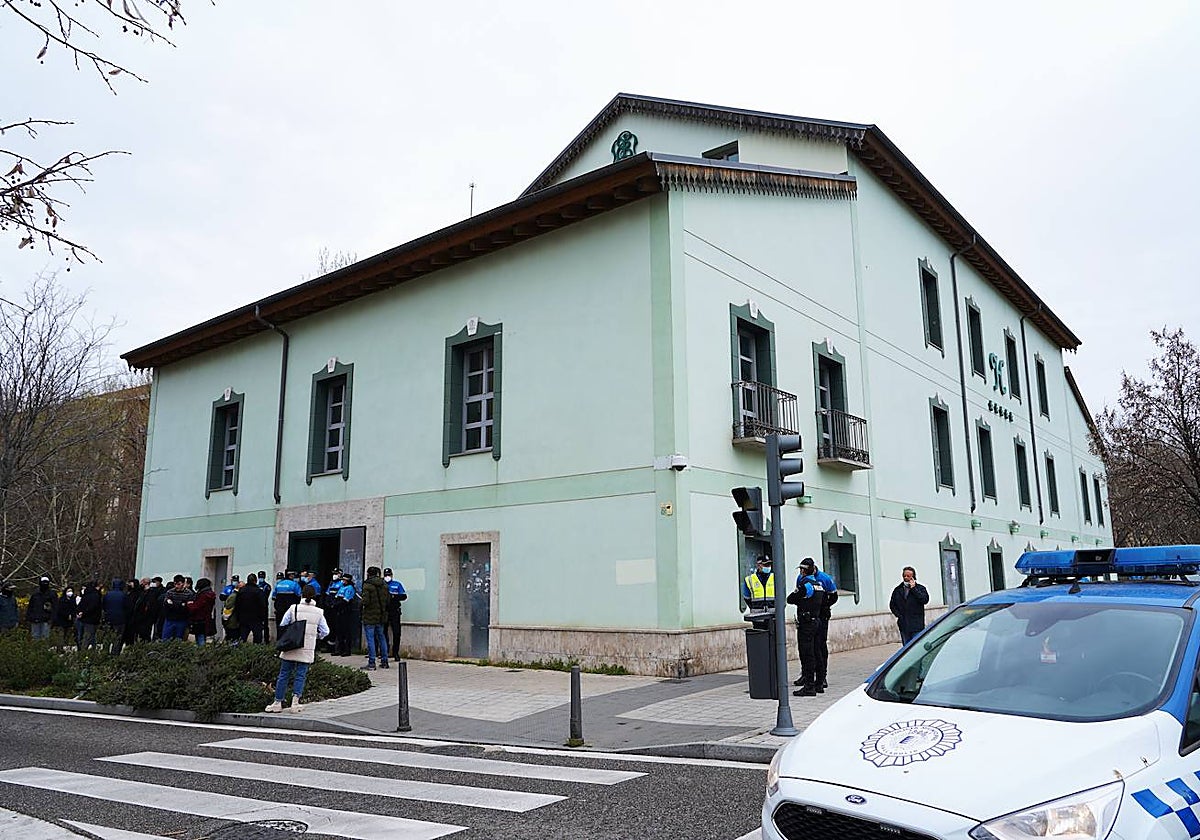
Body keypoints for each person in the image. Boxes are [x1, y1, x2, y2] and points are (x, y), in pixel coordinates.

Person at [264, 584, 329, 714]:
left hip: (291, 646)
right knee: (300, 675)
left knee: (283, 675)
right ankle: (295, 703)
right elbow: (325, 631)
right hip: (307, 647)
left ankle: (277, 702)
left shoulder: (293, 608)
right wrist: (314, 636)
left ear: (301, 595)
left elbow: (283, 623)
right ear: (315, 596)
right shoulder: (319, 612)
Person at [795, 558, 838, 692]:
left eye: (803, 569)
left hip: (821, 617)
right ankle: (806, 675)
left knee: (819, 647)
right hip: (807, 618)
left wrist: (821, 607)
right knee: (806, 649)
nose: (801, 572)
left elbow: (834, 596)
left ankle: (821, 677)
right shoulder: (801, 578)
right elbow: (798, 596)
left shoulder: (824, 578)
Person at [787, 564, 825, 697]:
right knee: (817, 652)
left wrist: (800, 602)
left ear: (803, 571)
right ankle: (819, 683)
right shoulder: (819, 585)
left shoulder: (806, 585)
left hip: (807, 624)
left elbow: (790, 599)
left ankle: (809, 686)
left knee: (807, 654)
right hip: (817, 621)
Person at [889, 566, 930, 645]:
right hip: (904, 625)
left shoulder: (920, 588)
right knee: (906, 648)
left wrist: (914, 589)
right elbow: (892, 605)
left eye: (908, 576)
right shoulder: (898, 590)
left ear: (913, 577)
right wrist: (899, 615)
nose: (906, 578)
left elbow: (925, 600)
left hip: (917, 625)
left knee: (916, 646)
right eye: (904, 576)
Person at [359, 566, 389, 671]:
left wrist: (361, 602)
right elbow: (388, 600)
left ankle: (372, 663)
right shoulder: (384, 585)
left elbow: (366, 601)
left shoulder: (367, 585)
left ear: (368, 574)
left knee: (371, 639)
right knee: (382, 638)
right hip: (381, 615)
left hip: (369, 616)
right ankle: (385, 661)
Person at [234, 572, 268, 644]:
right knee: (257, 639)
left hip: (243, 618)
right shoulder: (259, 591)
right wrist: (263, 618)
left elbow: (236, 605)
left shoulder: (241, 591)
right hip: (256, 619)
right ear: (255, 581)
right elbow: (263, 605)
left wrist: (238, 618)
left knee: (242, 638)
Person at [160, 575, 194, 641]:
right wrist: (181, 604)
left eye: (178, 584)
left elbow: (188, 606)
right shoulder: (170, 592)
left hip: (182, 619)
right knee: (165, 639)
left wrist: (174, 604)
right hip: (170, 619)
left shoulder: (189, 593)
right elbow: (166, 604)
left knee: (179, 639)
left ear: (183, 584)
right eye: (175, 584)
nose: (176, 586)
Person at [334, 572, 359, 657]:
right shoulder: (341, 587)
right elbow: (337, 597)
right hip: (339, 611)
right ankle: (339, 649)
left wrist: (336, 604)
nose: (343, 581)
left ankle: (347, 650)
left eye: (344, 580)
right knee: (339, 631)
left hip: (346, 611)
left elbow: (346, 600)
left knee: (346, 632)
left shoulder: (350, 588)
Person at [102, 578, 131, 654]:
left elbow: (104, 606)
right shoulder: (124, 595)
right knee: (118, 638)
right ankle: (115, 653)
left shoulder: (107, 594)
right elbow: (127, 607)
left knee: (107, 637)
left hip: (108, 618)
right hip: (120, 619)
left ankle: (105, 652)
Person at [383, 567, 407, 655]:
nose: (387, 577)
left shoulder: (397, 584)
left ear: (392, 575)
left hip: (394, 611)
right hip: (384, 611)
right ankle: (385, 651)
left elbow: (404, 596)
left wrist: (393, 596)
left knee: (396, 632)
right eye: (386, 575)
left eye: (389, 575)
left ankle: (395, 652)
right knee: (383, 632)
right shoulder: (382, 585)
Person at [272, 571, 302, 638]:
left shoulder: (278, 584)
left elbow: (274, 598)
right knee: (290, 628)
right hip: (290, 610)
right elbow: (299, 596)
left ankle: (279, 643)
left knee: (280, 628)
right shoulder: (294, 584)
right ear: (290, 576)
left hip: (279, 611)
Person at [188, 578, 217, 645]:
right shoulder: (210, 594)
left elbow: (196, 606)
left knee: (200, 638)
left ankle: (201, 653)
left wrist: (189, 604)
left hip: (199, 619)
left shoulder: (203, 595)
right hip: (206, 618)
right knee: (202, 636)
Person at [76, 581, 103, 649]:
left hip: (84, 618)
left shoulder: (86, 595)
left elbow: (81, 605)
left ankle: (85, 650)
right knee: (88, 637)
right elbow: (93, 607)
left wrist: (80, 613)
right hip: (92, 619)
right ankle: (84, 652)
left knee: (86, 636)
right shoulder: (95, 596)